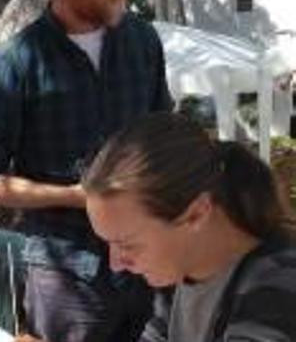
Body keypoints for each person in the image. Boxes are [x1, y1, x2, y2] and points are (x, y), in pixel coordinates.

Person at [0, 0, 173, 342]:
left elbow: (165, 138)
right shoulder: (16, 63)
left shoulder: (144, 41)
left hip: (151, 269)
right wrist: (78, 197)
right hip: (67, 276)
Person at [83, 113, 296, 341]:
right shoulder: (181, 271)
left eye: (127, 244)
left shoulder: (276, 290)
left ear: (196, 213)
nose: (116, 264)